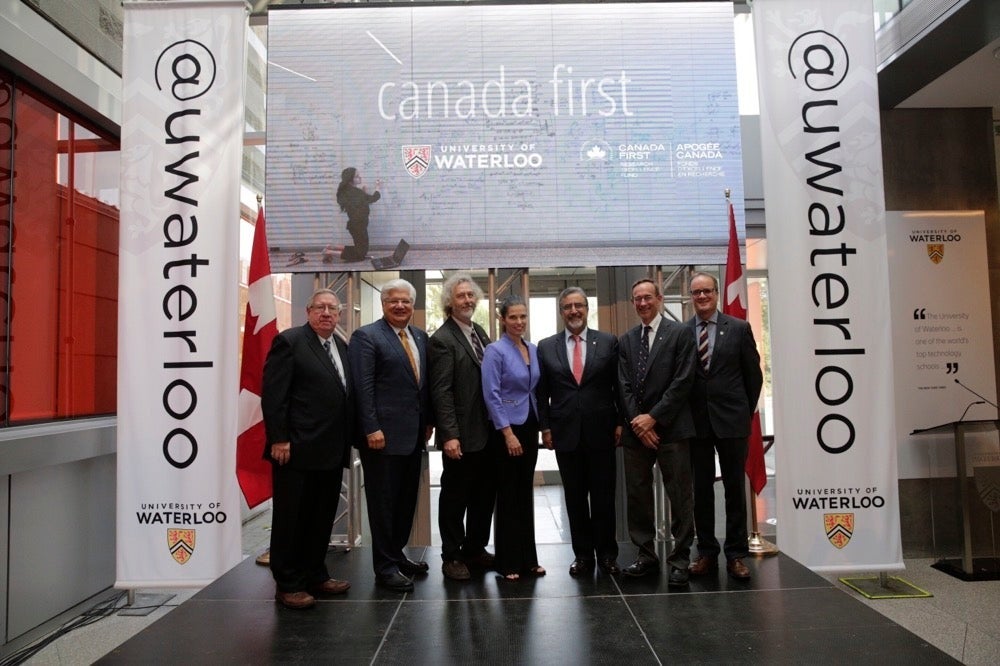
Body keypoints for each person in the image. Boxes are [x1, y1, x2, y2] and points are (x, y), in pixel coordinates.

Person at [261, 288, 354, 609]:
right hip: (295, 450)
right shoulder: (290, 342)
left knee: (320, 518)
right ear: (308, 311)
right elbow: (274, 395)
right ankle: (288, 583)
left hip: (329, 452)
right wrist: (279, 438)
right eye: (320, 307)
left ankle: (316, 574)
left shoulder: (341, 346)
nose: (326, 313)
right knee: (291, 519)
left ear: (340, 315)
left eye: (332, 308)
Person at [348, 279, 432, 592]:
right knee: (383, 504)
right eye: (393, 301)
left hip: (413, 436)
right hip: (381, 437)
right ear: (384, 304)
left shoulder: (420, 337)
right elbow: (362, 386)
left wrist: (428, 420)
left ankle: (396, 556)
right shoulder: (366, 337)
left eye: (406, 301)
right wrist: (371, 427)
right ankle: (384, 568)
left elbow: (420, 385)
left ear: (413, 305)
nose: (400, 306)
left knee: (404, 502)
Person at [537, 287, 622, 576]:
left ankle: (608, 555)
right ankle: (583, 556)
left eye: (579, 306)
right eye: (567, 307)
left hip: (602, 432)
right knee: (574, 499)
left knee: (603, 498)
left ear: (587, 308)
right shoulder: (546, 346)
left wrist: (621, 421)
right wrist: (545, 427)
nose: (573, 311)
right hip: (565, 434)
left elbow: (618, 387)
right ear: (561, 311)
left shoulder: (608, 342)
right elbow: (542, 393)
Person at [618, 278, 697, 587]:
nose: (642, 303)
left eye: (647, 297)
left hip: (672, 429)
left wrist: (653, 418)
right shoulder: (626, 340)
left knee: (680, 496)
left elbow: (683, 382)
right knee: (637, 496)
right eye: (637, 298)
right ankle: (646, 556)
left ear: (659, 298)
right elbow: (622, 385)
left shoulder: (680, 334)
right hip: (637, 432)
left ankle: (680, 559)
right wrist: (639, 421)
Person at [686, 272, 763, 581]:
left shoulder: (739, 328)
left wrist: (742, 412)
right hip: (697, 424)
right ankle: (705, 552)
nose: (701, 296)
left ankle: (735, 555)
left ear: (716, 293)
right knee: (701, 490)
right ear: (691, 297)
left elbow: (753, 377)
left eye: (706, 291)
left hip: (732, 422)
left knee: (734, 489)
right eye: (696, 292)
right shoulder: (682, 332)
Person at [428, 273, 497, 581]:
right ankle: (452, 555)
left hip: (487, 434)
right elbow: (440, 391)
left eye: (471, 295)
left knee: (484, 495)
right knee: (456, 497)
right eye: (461, 296)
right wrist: (450, 436)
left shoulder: (479, 331)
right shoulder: (442, 340)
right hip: (461, 436)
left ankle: (475, 548)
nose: (468, 300)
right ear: (449, 302)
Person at [481, 295, 545, 581]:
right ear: (502, 319)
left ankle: (528, 559)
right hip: (507, 430)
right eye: (513, 318)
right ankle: (508, 561)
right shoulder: (495, 351)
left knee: (524, 493)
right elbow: (491, 395)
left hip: (529, 426)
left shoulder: (532, 348)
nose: (519, 322)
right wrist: (507, 433)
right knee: (508, 494)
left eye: (523, 317)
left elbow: (535, 390)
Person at [326, 167, 381, 263]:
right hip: (358, 225)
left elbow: (358, 204)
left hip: (355, 225)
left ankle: (332, 247)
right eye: (357, 176)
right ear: (350, 180)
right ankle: (329, 251)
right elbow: (373, 198)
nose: (360, 178)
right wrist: (378, 187)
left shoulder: (349, 191)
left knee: (361, 249)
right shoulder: (356, 193)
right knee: (360, 255)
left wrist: (363, 194)